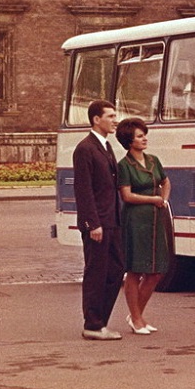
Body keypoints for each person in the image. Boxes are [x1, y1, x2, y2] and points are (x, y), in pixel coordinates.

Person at [73, 99, 125, 341]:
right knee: (97, 272)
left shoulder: (105, 146)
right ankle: (92, 324)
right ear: (97, 119)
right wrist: (92, 224)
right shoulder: (85, 149)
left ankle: (100, 321)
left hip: (112, 221)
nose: (115, 120)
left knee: (116, 270)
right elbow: (84, 191)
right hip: (98, 224)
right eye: (111, 116)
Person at [116, 116, 171, 335]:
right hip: (136, 220)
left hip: (156, 219)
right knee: (135, 269)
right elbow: (127, 196)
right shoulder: (124, 165)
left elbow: (165, 181)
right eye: (139, 136)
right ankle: (137, 318)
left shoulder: (153, 160)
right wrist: (153, 200)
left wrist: (164, 199)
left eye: (144, 134)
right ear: (129, 141)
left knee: (156, 271)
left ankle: (136, 314)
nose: (144, 138)